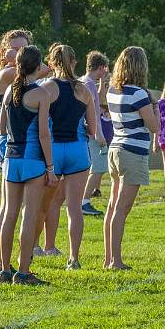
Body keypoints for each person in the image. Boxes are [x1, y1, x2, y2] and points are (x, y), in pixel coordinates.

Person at [0, 45, 57, 285]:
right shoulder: (41, 94)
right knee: (29, 215)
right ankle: (23, 272)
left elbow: (2, 128)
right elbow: (44, 135)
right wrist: (50, 168)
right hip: (33, 160)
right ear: (38, 65)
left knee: (9, 214)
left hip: (12, 159)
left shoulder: (10, 89)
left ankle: (3, 269)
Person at [38, 43, 97, 270]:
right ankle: (73, 258)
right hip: (77, 151)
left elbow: (40, 124)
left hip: (52, 149)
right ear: (74, 62)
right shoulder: (84, 90)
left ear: (52, 63)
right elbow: (92, 129)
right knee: (74, 208)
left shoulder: (46, 87)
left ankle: (40, 248)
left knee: (46, 204)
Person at [104, 46, 159, 270]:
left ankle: (108, 258)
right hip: (132, 152)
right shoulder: (138, 93)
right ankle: (116, 261)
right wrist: (155, 106)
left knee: (112, 207)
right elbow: (154, 127)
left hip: (115, 149)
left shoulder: (112, 91)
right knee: (121, 209)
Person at [80, 51, 110, 216]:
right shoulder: (89, 83)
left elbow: (97, 101)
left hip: (86, 132)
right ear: (100, 67)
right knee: (99, 167)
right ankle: (84, 201)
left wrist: (102, 85)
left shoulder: (85, 82)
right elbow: (92, 111)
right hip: (92, 132)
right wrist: (98, 133)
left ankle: (82, 200)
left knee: (92, 168)